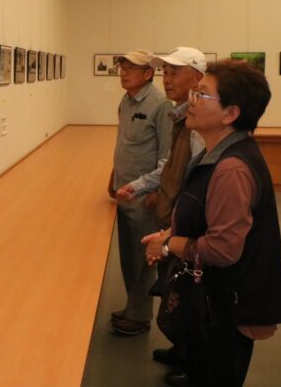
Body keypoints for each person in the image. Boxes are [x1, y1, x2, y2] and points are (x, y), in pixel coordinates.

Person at [142, 60, 281, 387]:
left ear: (230, 113)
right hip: (209, 306)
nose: (191, 100)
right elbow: (204, 217)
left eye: (202, 94)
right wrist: (171, 232)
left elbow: (223, 249)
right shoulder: (213, 154)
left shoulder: (231, 169)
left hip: (225, 312)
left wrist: (169, 244)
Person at [114, 47, 206, 381]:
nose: (168, 79)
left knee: (185, 286)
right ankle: (180, 347)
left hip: (176, 214)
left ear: (197, 78)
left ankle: (188, 356)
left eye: (174, 73)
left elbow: (186, 173)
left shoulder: (184, 117)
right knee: (170, 281)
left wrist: (153, 194)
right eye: (166, 72)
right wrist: (132, 184)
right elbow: (170, 165)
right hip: (158, 204)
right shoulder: (177, 115)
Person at [108, 49, 173, 335]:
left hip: (144, 195)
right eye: (122, 67)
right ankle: (134, 306)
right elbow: (125, 143)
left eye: (131, 68)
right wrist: (113, 177)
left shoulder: (160, 104)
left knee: (144, 259)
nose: (123, 72)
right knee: (128, 256)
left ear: (148, 74)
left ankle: (140, 317)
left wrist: (156, 191)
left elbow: (167, 154)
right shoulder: (126, 100)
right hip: (124, 191)